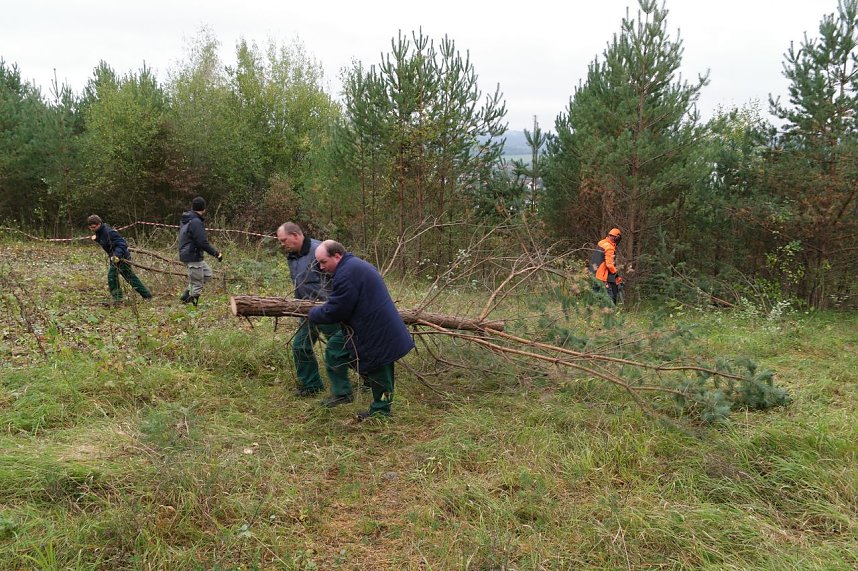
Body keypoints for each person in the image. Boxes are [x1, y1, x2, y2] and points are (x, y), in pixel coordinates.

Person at [308, 240, 414, 421]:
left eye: (323, 262)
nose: (321, 267)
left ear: (337, 256)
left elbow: (338, 309)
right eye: (319, 263)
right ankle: (342, 393)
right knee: (335, 350)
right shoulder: (351, 267)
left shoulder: (348, 273)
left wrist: (313, 313)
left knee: (381, 373)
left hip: (378, 331)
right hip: (361, 328)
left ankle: (381, 411)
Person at [276, 223, 354, 405]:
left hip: (327, 311)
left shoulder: (319, 251)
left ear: (295, 235)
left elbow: (342, 275)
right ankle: (312, 385)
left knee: (344, 348)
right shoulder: (292, 256)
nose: (282, 245)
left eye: (284, 240)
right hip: (305, 312)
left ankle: (368, 378)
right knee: (300, 347)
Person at [87, 214, 152, 303]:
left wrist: (117, 255)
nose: (92, 229)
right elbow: (105, 242)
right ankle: (147, 295)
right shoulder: (99, 233)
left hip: (121, 257)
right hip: (114, 258)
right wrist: (96, 239)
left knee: (112, 276)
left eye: (94, 227)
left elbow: (122, 243)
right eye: (91, 228)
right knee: (130, 277)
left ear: (99, 224)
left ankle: (118, 298)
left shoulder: (109, 232)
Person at [178, 196, 222, 306]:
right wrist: (216, 253)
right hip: (192, 254)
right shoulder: (196, 221)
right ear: (204, 209)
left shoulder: (187, 219)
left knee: (207, 274)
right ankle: (193, 308)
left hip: (190, 253)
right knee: (197, 283)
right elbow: (202, 242)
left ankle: (185, 297)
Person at [591, 227, 622, 304]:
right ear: (617, 238)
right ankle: (609, 313)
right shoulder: (610, 248)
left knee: (594, 296)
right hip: (602, 276)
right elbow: (609, 265)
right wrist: (616, 274)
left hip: (594, 272)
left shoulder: (601, 242)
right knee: (610, 297)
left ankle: (591, 311)